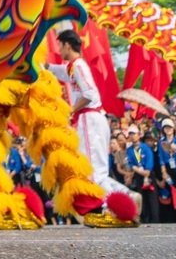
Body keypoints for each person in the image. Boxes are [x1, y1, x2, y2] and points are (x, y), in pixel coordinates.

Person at [48, 28, 140, 226]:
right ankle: (121, 199)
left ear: (67, 45)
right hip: (90, 120)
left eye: (60, 45)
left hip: (89, 120)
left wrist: (71, 110)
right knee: (92, 169)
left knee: (93, 171)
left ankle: (121, 200)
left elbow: (89, 94)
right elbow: (55, 70)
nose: (58, 50)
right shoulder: (73, 67)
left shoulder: (79, 66)